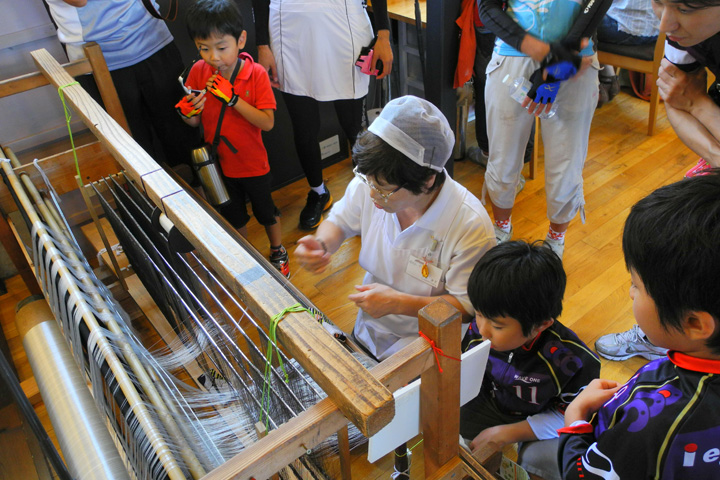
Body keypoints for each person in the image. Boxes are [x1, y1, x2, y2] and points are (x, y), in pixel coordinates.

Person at [294, 96, 495, 361]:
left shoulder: (469, 224)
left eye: (385, 191)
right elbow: (340, 221)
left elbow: (467, 307)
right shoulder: (374, 182)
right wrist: (321, 245)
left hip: (425, 343)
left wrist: (398, 303)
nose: (374, 196)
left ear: (427, 181)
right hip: (369, 325)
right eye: (369, 183)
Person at [558, 170, 720, 479]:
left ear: (695, 323)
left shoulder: (659, 426)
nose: (631, 292)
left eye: (636, 285)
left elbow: (584, 475)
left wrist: (575, 418)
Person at [595, 0, 720, 360]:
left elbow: (687, 100)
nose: (665, 23)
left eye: (687, 8)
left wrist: (698, 105)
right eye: (658, 2)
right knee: (679, 243)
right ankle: (665, 331)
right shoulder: (683, 30)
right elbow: (672, 98)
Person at [461, 241, 600, 480]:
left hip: (538, 418)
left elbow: (570, 416)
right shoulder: (482, 327)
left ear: (542, 324)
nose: (482, 329)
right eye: (479, 314)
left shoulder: (573, 361)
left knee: (546, 463)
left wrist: (507, 434)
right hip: (490, 399)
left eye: (497, 325)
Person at [478, 0, 606, 259]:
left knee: (567, 160)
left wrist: (558, 63)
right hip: (513, 57)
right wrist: (544, 54)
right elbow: (487, 8)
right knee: (502, 156)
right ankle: (501, 227)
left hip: (575, 57)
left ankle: (556, 240)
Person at [251, 0, 393, 230]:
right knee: (304, 129)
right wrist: (262, 45)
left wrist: (384, 35)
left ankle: (370, 195)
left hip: (345, 27)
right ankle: (318, 192)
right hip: (288, 32)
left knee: (352, 126)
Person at [176, 0, 289, 278]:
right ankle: (246, 254)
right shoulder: (198, 71)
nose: (213, 57)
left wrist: (233, 99)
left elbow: (268, 122)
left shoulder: (255, 74)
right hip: (218, 164)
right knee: (233, 214)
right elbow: (193, 122)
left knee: (266, 212)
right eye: (204, 48)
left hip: (252, 162)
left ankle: (278, 250)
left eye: (221, 47)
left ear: (241, 40)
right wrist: (188, 112)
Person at [44, 0, 199, 181]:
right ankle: (155, 208)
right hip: (97, 59)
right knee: (135, 155)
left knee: (185, 139)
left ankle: (205, 204)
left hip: (151, 33)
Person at [595, 0, 660, 106]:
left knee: (573, 15)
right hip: (655, 31)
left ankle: (604, 81)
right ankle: (608, 78)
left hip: (627, 28)